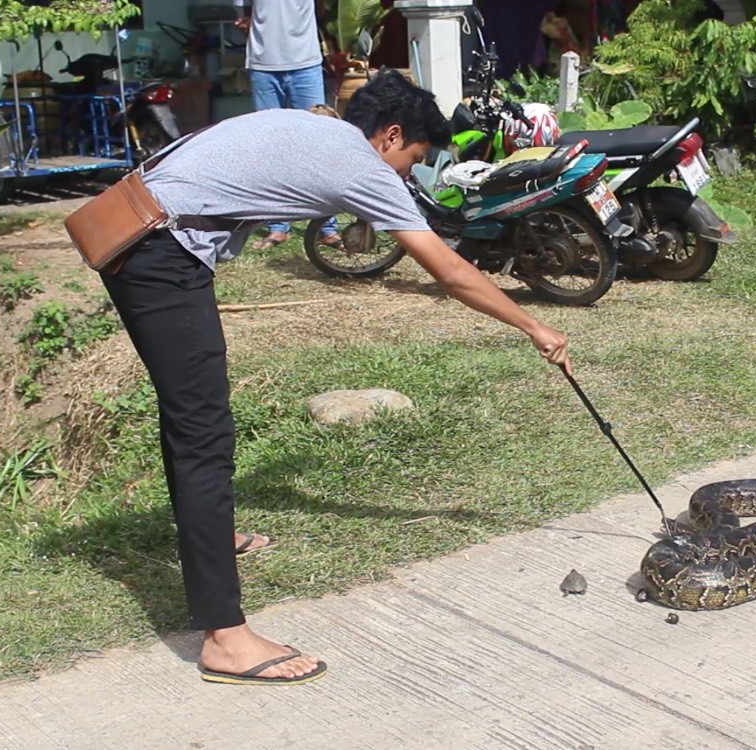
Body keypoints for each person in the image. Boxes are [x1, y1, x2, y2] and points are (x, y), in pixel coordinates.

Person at [100, 70, 572, 686]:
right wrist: (534, 326)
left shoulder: (318, 128)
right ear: (390, 135)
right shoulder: (363, 164)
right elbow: (451, 273)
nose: (406, 175)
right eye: (413, 160)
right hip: (156, 250)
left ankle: (213, 535)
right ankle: (224, 637)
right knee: (203, 431)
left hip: (137, 227)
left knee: (192, 417)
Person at [233, 0, 339, 250]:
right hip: (263, 66)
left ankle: (326, 227)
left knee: (317, 145)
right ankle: (278, 227)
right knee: (270, 147)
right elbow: (244, 12)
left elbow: (323, 9)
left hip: (306, 63)